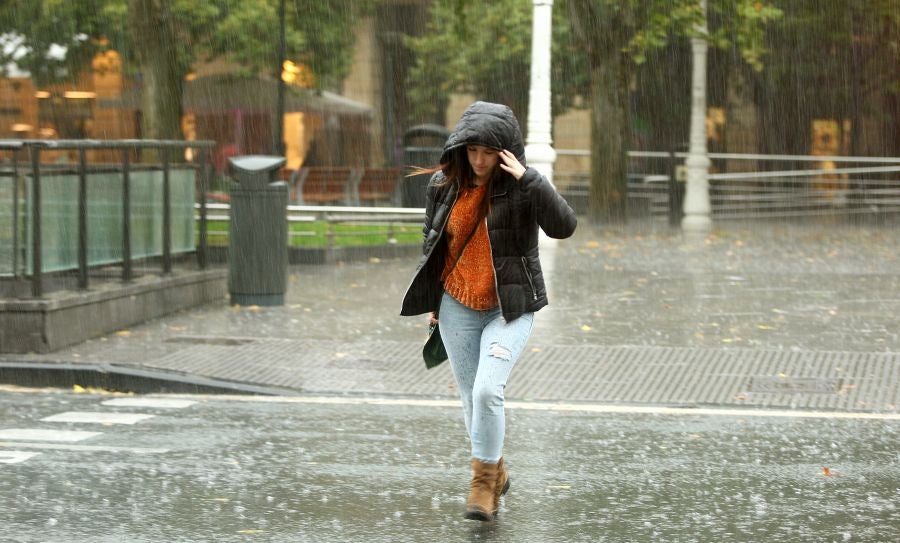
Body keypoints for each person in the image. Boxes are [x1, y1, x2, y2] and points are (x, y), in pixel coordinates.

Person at [400, 101, 577, 521]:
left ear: (506, 151)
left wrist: (532, 179)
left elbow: (564, 226)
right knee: (468, 397)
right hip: (456, 303)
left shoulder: (523, 187)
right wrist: (434, 304)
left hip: (509, 308)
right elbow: (434, 245)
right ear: (461, 148)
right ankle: (495, 470)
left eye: (488, 152)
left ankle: (482, 483)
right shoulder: (444, 184)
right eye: (472, 150)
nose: (479, 160)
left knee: (486, 391)